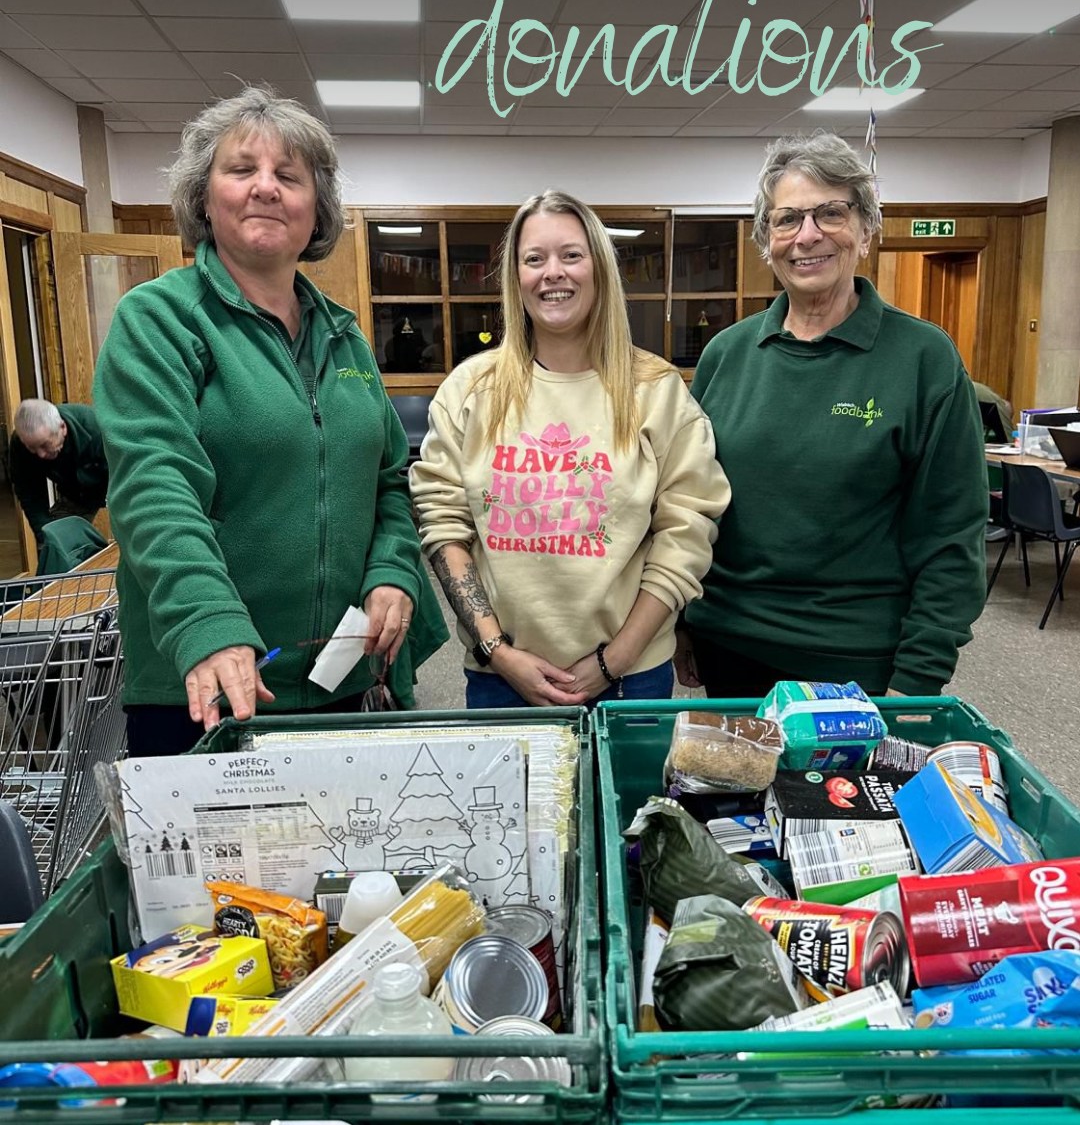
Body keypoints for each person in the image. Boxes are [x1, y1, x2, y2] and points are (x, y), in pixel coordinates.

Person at [93, 87, 447, 757]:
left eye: (288, 176)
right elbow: (154, 486)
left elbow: (390, 485)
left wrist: (394, 573)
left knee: (347, 856)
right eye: (241, 170)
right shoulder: (161, 319)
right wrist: (208, 621)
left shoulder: (346, 338)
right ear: (203, 197)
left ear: (317, 212)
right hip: (207, 680)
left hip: (339, 672)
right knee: (223, 867)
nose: (265, 188)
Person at [677, 132, 987, 700]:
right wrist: (681, 622)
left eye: (831, 213)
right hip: (728, 646)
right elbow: (687, 505)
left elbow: (951, 534)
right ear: (767, 241)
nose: (808, 235)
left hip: (857, 664)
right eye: (787, 219)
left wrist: (917, 680)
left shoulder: (924, 359)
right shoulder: (727, 353)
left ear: (866, 231)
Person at [411, 188, 731, 708]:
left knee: (628, 795)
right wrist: (498, 651)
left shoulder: (655, 389)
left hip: (630, 680)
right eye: (533, 259)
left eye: (571, 255)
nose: (552, 272)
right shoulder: (470, 390)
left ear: (599, 269)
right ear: (516, 279)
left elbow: (686, 534)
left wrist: (614, 662)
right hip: (501, 676)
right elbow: (443, 525)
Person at [8, 400, 109, 571]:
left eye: (45, 445)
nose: (40, 454)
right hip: (75, 495)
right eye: (32, 448)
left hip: (114, 482)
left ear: (62, 427)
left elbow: (129, 477)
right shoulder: (20, 445)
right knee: (54, 546)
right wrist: (44, 534)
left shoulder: (98, 428)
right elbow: (29, 494)